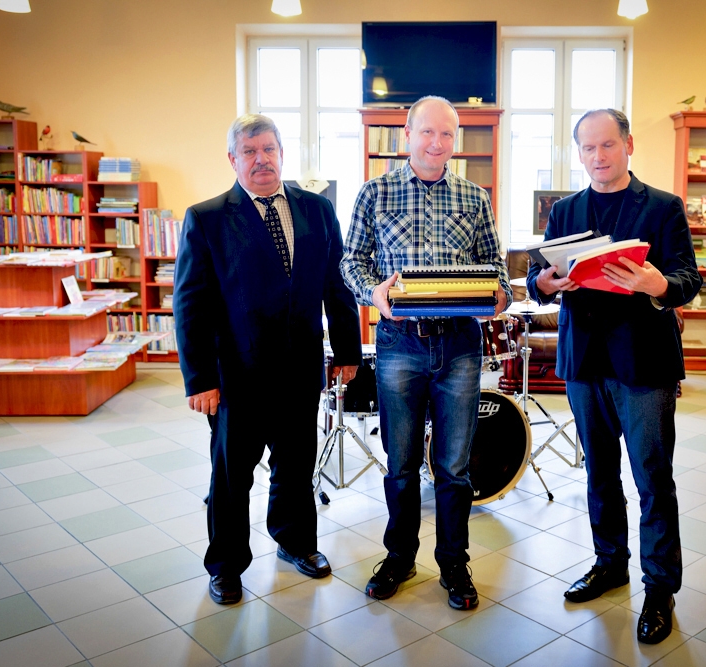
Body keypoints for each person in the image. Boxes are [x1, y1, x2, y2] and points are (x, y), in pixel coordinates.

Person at [526, 108, 701, 645]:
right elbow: (537, 279)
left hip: (643, 362)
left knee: (651, 477)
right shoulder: (565, 211)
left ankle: (660, 587)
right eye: (588, 147)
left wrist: (656, 284)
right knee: (599, 473)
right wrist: (547, 283)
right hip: (584, 362)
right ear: (578, 152)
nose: (598, 156)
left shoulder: (663, 206)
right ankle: (609, 564)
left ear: (628, 145)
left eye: (607, 145)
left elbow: (688, 278)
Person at [174, 114, 362, 605]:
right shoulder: (207, 218)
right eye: (250, 151)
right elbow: (190, 304)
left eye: (269, 149)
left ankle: (295, 542)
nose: (261, 159)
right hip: (236, 376)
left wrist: (347, 349)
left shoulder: (317, 210)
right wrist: (199, 378)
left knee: (296, 467)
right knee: (231, 477)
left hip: (301, 370)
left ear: (282, 152)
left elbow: (337, 284)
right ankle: (226, 565)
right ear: (233, 159)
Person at [341, 95, 511, 611]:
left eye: (447, 134)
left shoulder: (474, 197)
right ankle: (399, 557)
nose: (437, 143)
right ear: (407, 135)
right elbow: (351, 262)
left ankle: (454, 563)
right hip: (400, 343)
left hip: (459, 344)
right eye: (428, 132)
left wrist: (499, 296)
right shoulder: (374, 192)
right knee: (401, 462)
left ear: (455, 139)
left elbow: (495, 266)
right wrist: (373, 292)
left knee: (454, 466)